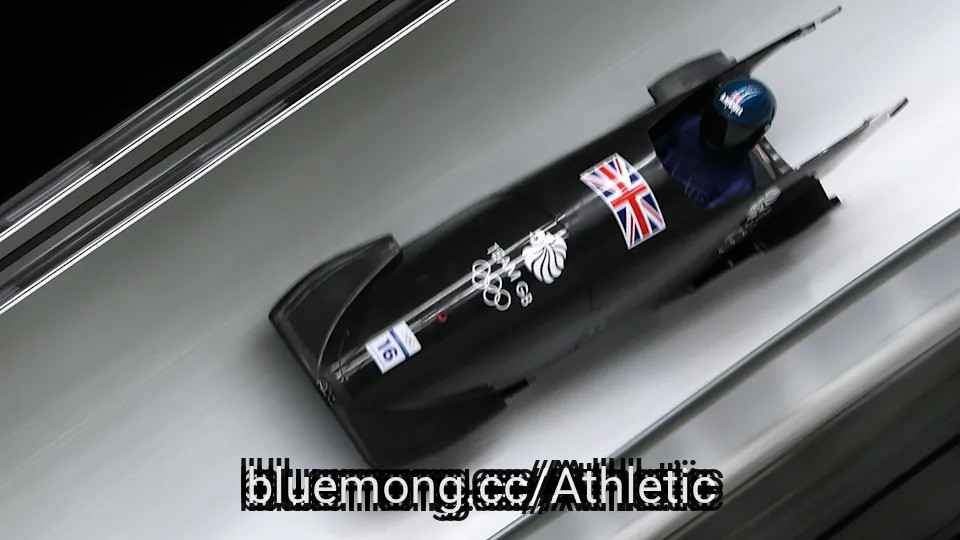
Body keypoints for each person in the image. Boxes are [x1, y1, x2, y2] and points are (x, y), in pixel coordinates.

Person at [654, 78, 776, 209]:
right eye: (717, 119)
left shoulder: (738, 185)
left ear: (752, 135)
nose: (717, 129)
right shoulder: (688, 126)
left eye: (734, 129)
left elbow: (704, 220)